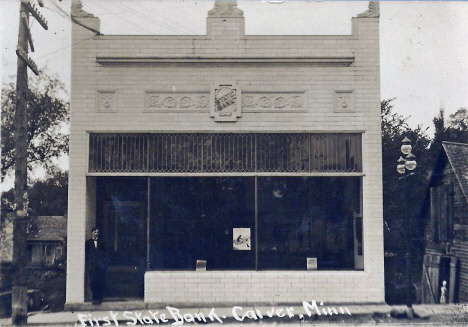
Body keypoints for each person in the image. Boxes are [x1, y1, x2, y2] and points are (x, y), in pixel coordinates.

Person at [85, 227, 107, 305]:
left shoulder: (102, 242)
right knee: (92, 282)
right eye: (95, 232)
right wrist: (88, 264)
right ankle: (94, 298)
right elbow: (87, 255)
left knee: (100, 282)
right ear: (92, 233)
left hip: (100, 266)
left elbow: (104, 254)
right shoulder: (88, 243)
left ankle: (99, 298)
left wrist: (103, 263)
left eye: (97, 232)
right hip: (92, 266)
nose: (96, 233)